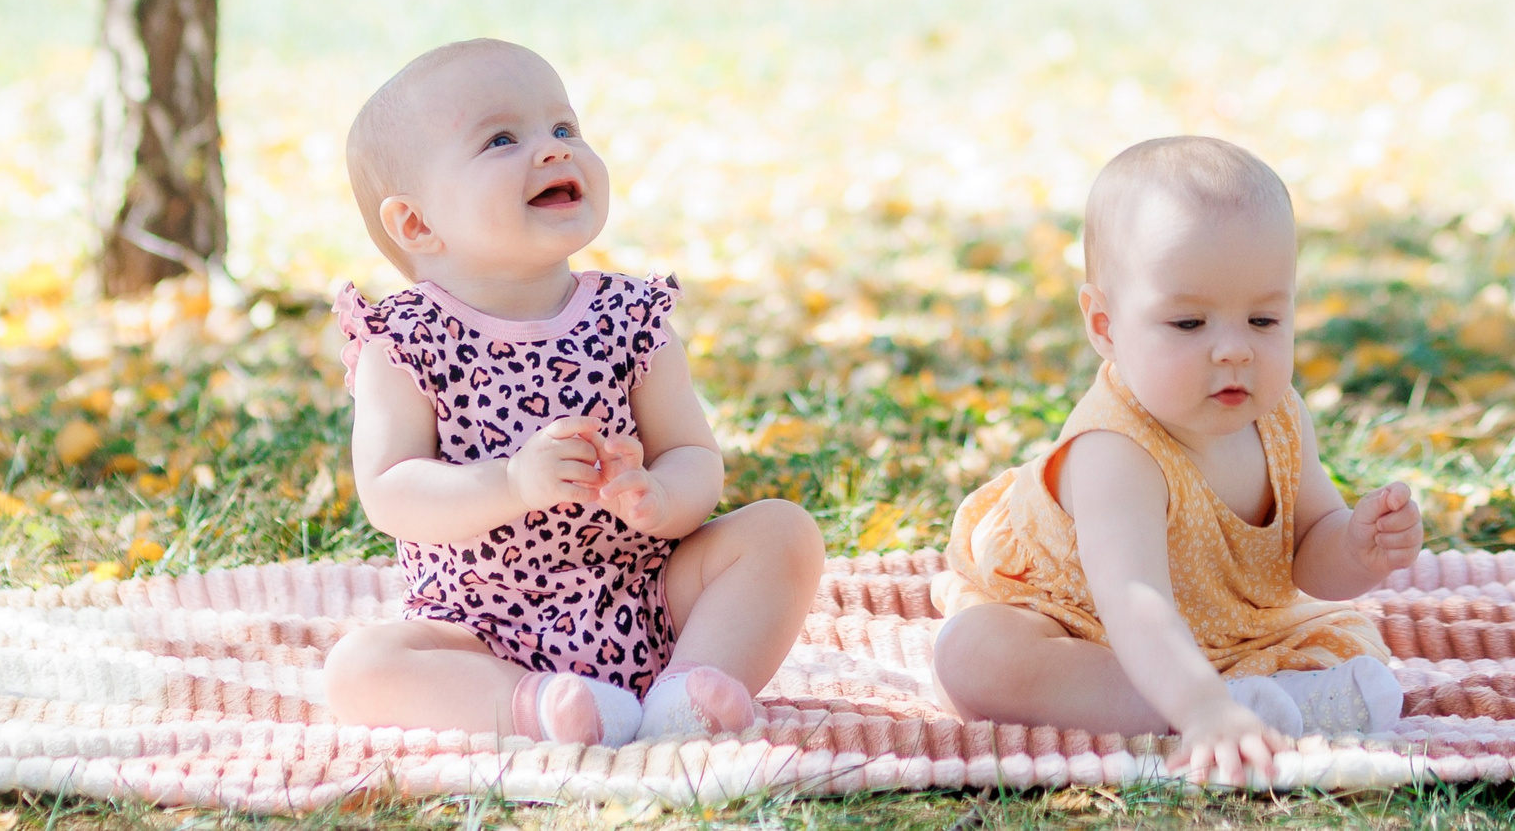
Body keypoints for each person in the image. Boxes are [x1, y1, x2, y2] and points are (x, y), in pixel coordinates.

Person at [322, 38, 824, 745]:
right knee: (358, 667)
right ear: (417, 223)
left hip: (644, 598)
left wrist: (657, 493)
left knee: (783, 532)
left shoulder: (629, 318)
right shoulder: (405, 340)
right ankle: (544, 708)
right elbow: (391, 490)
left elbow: (693, 453)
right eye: (501, 138)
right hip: (482, 629)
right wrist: (511, 482)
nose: (554, 150)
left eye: (564, 128)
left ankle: (689, 689)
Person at [932, 135, 1420, 783]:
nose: (1234, 349)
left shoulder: (1276, 416)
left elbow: (1310, 551)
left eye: (1264, 320)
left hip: (1231, 632)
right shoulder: (1116, 450)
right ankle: (1195, 710)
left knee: (1350, 644)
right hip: (1082, 626)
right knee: (974, 653)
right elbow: (1133, 599)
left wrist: (1358, 548)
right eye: (1190, 323)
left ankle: (1266, 701)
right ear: (1105, 325)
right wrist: (1198, 703)